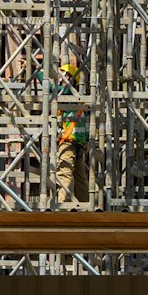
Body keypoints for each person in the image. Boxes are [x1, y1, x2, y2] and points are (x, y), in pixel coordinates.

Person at [54, 62, 88, 207]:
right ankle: (87, 206)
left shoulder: (69, 92)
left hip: (69, 141)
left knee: (64, 173)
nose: (60, 78)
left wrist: (41, 73)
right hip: (78, 142)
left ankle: (63, 206)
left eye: (64, 75)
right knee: (80, 178)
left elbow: (50, 88)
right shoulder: (76, 96)